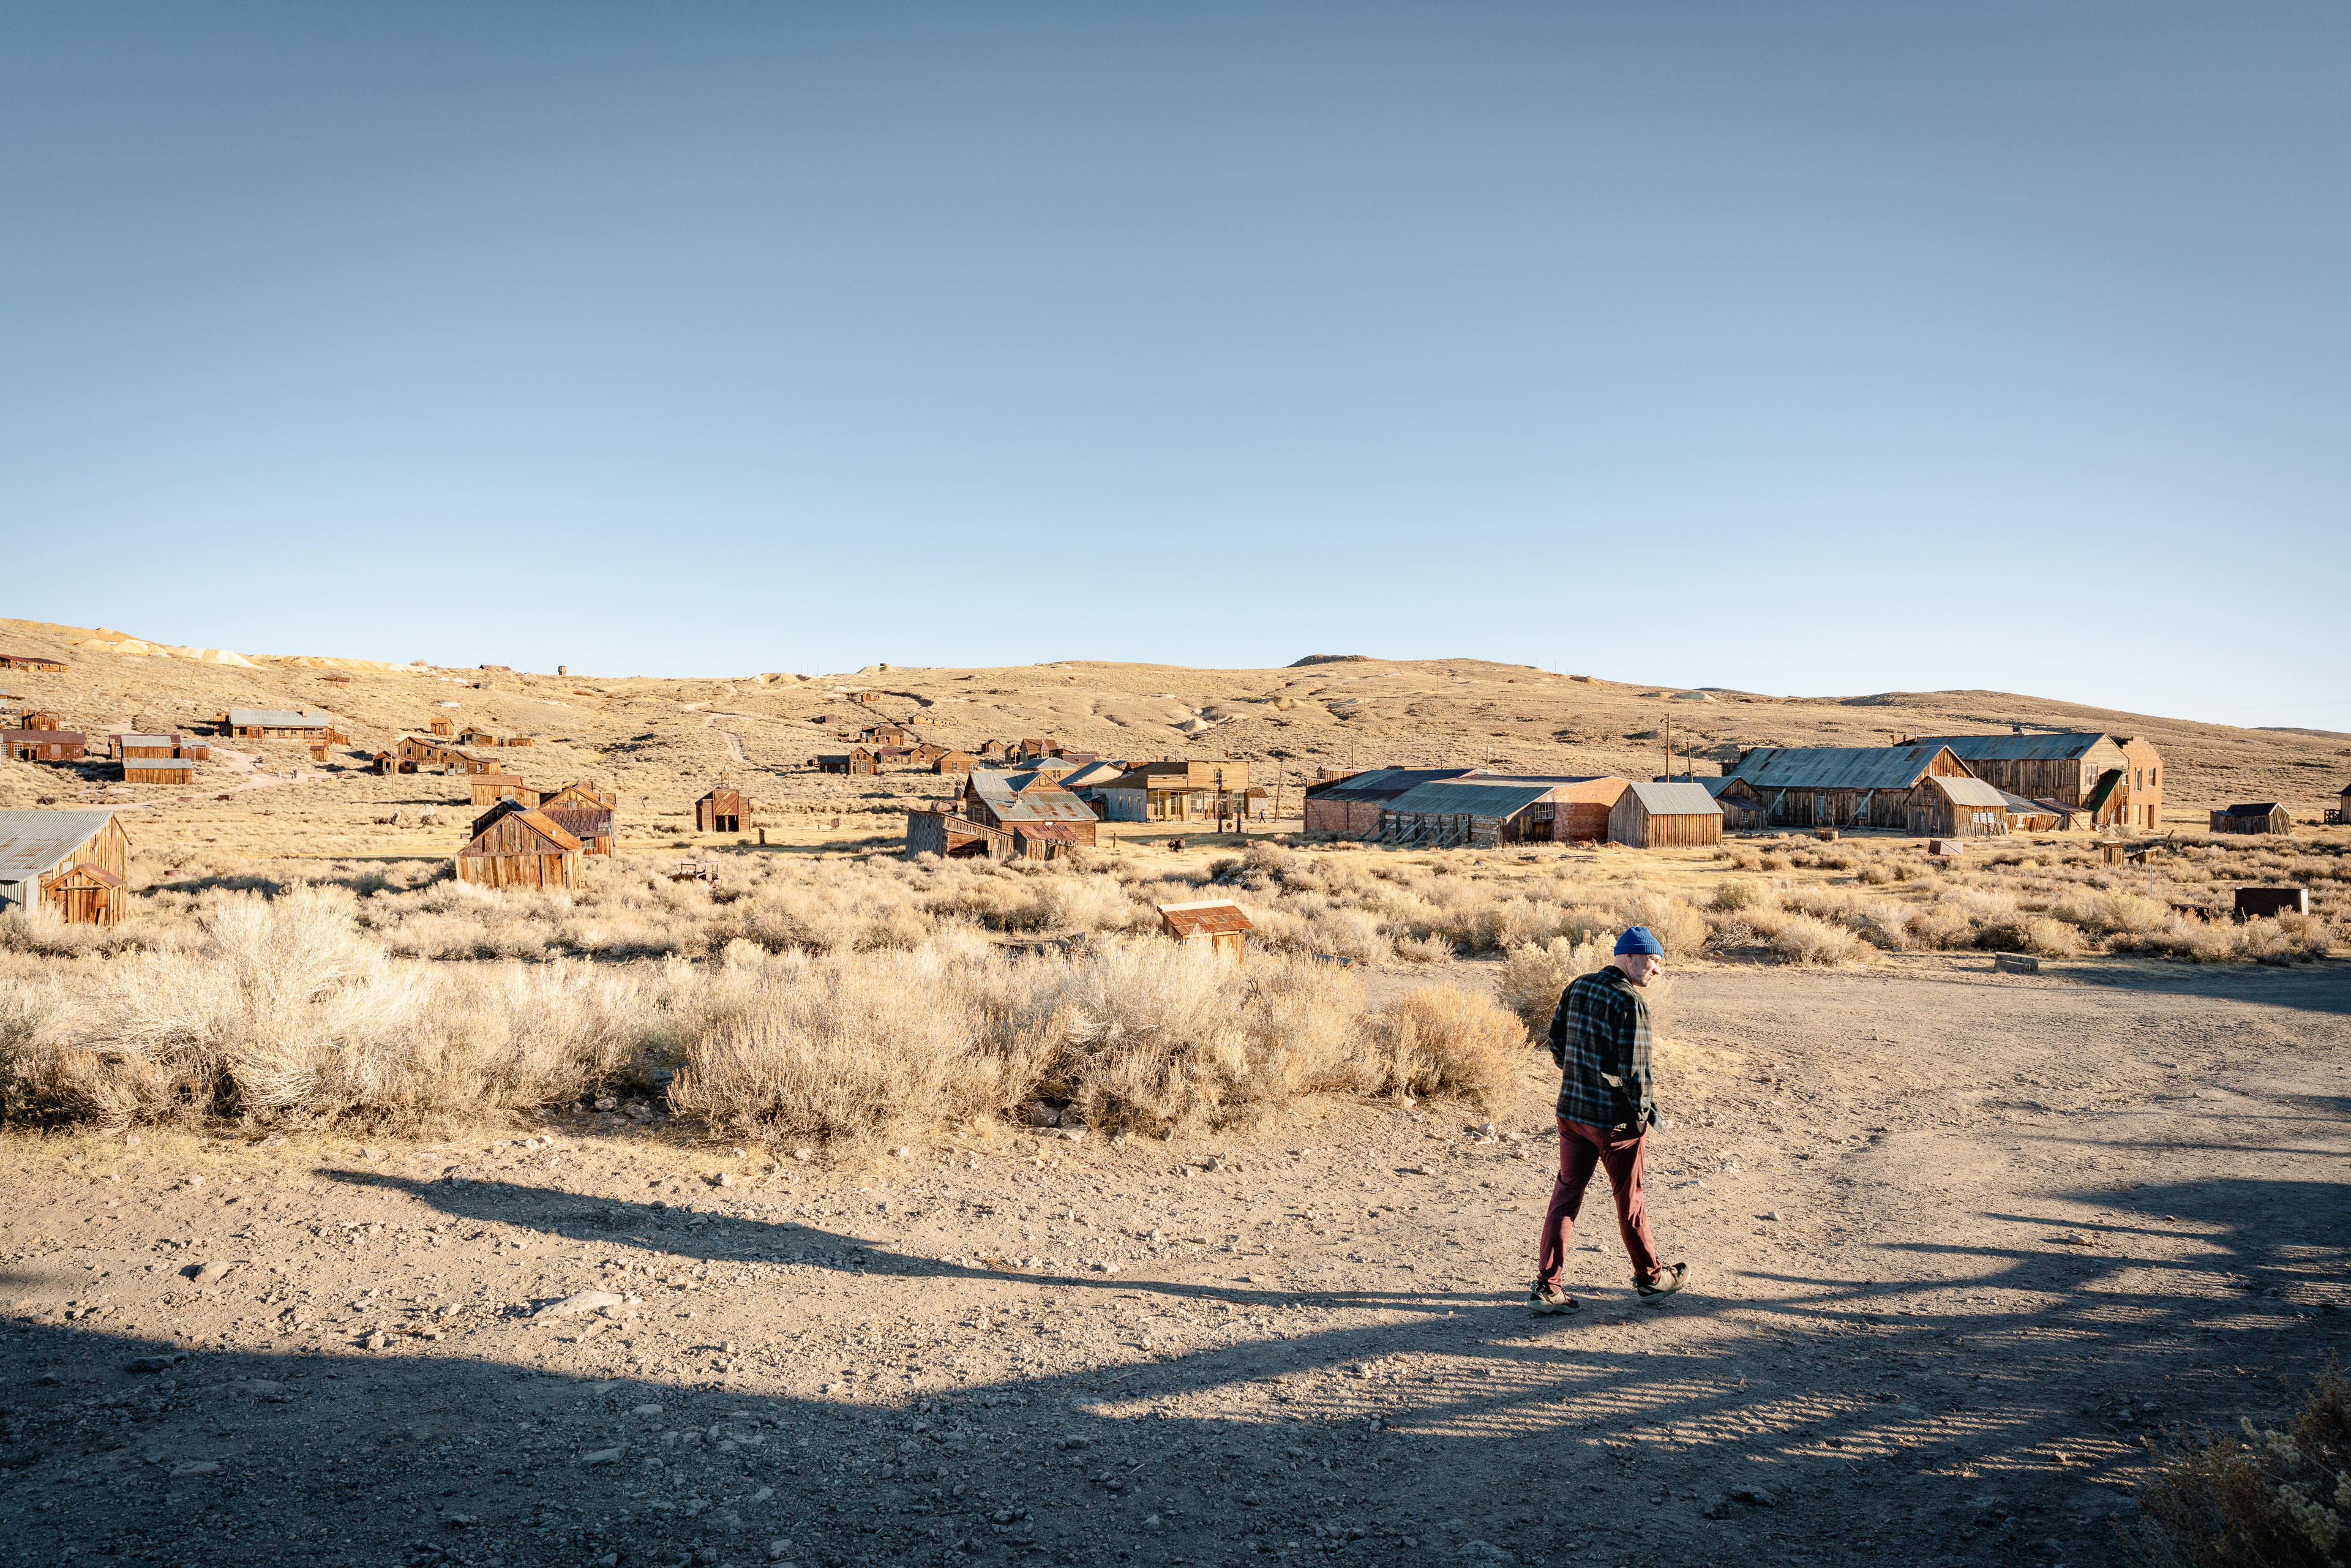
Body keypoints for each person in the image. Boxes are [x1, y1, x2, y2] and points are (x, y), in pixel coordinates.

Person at [1528, 926, 1690, 1313]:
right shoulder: (1629, 1001)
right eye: (1653, 960)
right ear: (1630, 957)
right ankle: (1651, 1279)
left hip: (1571, 1113)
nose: (1657, 970)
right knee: (1630, 1199)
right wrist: (1642, 1117)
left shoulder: (1578, 986)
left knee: (1566, 1195)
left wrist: (1581, 1076)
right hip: (1614, 1122)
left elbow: (1555, 1042)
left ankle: (1547, 1288)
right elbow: (1637, 1074)